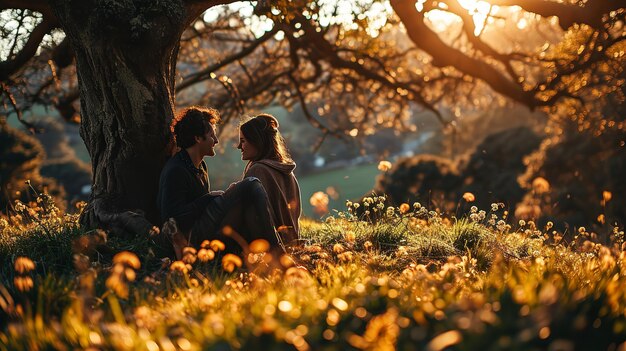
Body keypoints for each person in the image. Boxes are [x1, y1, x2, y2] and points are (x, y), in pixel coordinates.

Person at [157, 106, 280, 258]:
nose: (216, 141)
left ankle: (258, 254)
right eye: (211, 136)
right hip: (191, 237)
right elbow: (172, 218)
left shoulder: (200, 166)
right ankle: (278, 252)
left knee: (244, 203)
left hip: (204, 227)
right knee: (251, 184)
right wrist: (209, 198)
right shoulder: (176, 170)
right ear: (198, 138)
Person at [237, 113, 302, 244]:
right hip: (291, 244)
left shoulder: (258, 170)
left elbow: (253, 219)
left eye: (243, 141)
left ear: (257, 141)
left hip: (269, 249)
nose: (239, 146)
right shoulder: (287, 171)